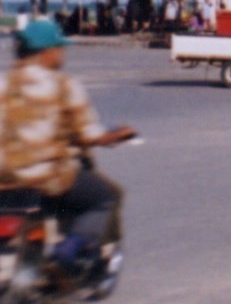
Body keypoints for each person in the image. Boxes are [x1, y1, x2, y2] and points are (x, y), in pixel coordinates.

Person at [1, 21, 134, 278]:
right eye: (59, 49)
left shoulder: (3, 83)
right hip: (46, 176)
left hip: (4, 180)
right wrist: (116, 134)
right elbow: (89, 134)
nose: (62, 55)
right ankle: (67, 252)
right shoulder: (62, 85)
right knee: (107, 197)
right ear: (46, 51)